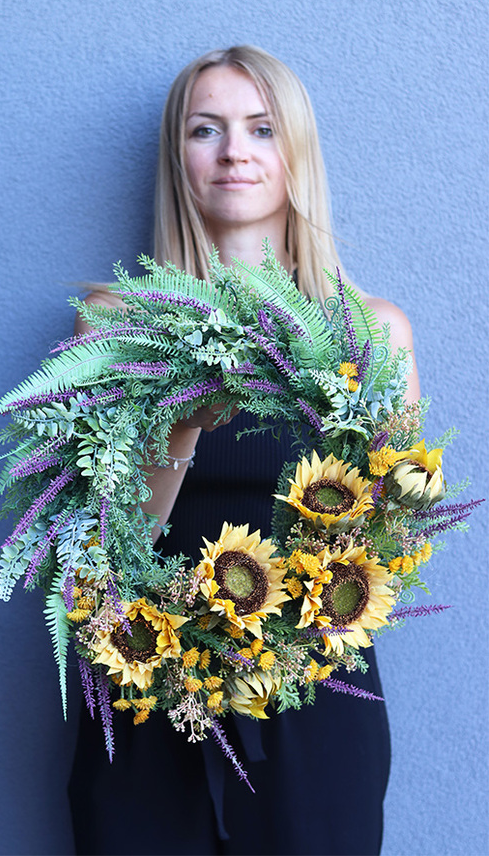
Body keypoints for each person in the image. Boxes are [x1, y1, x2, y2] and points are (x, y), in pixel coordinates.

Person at [68, 45, 420, 856]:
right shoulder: (116, 322)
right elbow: (93, 544)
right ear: (178, 156)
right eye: (206, 130)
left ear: (294, 151)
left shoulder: (371, 331)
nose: (235, 151)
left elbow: (389, 548)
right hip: (147, 690)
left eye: (262, 129)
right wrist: (184, 420)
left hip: (311, 701)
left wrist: (273, 645)